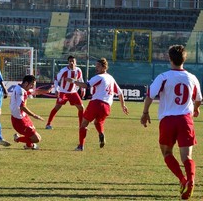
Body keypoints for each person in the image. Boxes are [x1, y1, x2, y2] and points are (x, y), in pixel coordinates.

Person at [140, 45, 202, 200]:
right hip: (185, 120)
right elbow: (199, 99)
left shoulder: (163, 76)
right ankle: (191, 179)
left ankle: (183, 180)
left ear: (169, 58)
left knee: (167, 153)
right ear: (184, 59)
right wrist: (196, 109)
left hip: (168, 120)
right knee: (187, 157)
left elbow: (150, 96)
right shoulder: (192, 78)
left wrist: (145, 113)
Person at [66, 57, 129, 151]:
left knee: (83, 124)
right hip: (107, 106)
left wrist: (73, 81)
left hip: (96, 103)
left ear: (104, 68)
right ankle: (101, 133)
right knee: (97, 122)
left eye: (98, 66)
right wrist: (123, 105)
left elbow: (86, 85)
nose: (96, 68)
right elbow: (120, 93)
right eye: (96, 66)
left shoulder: (99, 77)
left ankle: (81, 146)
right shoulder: (111, 78)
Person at [10, 75, 52, 150]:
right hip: (19, 121)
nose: (32, 87)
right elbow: (22, 106)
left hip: (24, 117)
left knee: (35, 136)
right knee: (37, 139)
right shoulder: (20, 91)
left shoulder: (22, 88)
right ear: (26, 83)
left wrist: (47, 91)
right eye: (32, 84)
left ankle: (29, 146)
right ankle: (17, 139)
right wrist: (34, 115)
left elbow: (36, 91)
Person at [45, 55, 85, 129]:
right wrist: (56, 89)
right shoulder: (64, 70)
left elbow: (80, 80)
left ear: (76, 62)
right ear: (68, 62)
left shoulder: (78, 70)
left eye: (73, 61)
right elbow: (56, 79)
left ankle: (81, 126)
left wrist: (83, 89)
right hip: (63, 92)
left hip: (73, 92)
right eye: (70, 61)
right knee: (57, 107)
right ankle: (48, 124)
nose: (72, 63)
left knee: (81, 108)